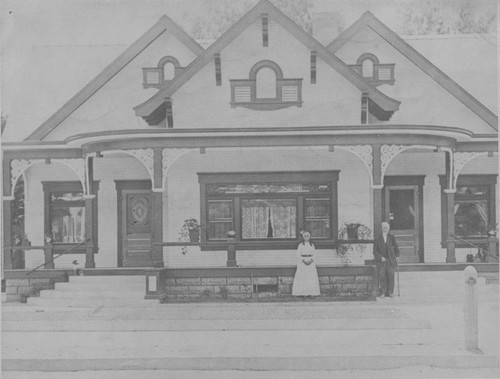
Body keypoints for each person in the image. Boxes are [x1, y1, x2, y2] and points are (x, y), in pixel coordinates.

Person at [373, 221, 400, 298]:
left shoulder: (392, 237)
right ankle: (383, 292)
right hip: (381, 261)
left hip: (391, 260)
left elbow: (396, 248)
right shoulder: (377, 238)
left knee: (391, 275)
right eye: (384, 227)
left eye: (387, 227)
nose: (385, 229)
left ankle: (390, 292)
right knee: (382, 275)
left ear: (389, 228)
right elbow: (374, 251)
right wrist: (380, 257)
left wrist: (397, 256)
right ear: (381, 228)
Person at [292, 230, 320, 297]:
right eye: (305, 236)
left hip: (311, 262)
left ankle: (312, 293)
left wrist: (311, 260)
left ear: (309, 237)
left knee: (311, 278)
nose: (306, 237)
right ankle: (303, 293)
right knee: (303, 278)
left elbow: (315, 254)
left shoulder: (312, 245)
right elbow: (298, 254)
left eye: (307, 236)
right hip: (303, 262)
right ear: (303, 237)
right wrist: (303, 260)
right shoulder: (301, 245)